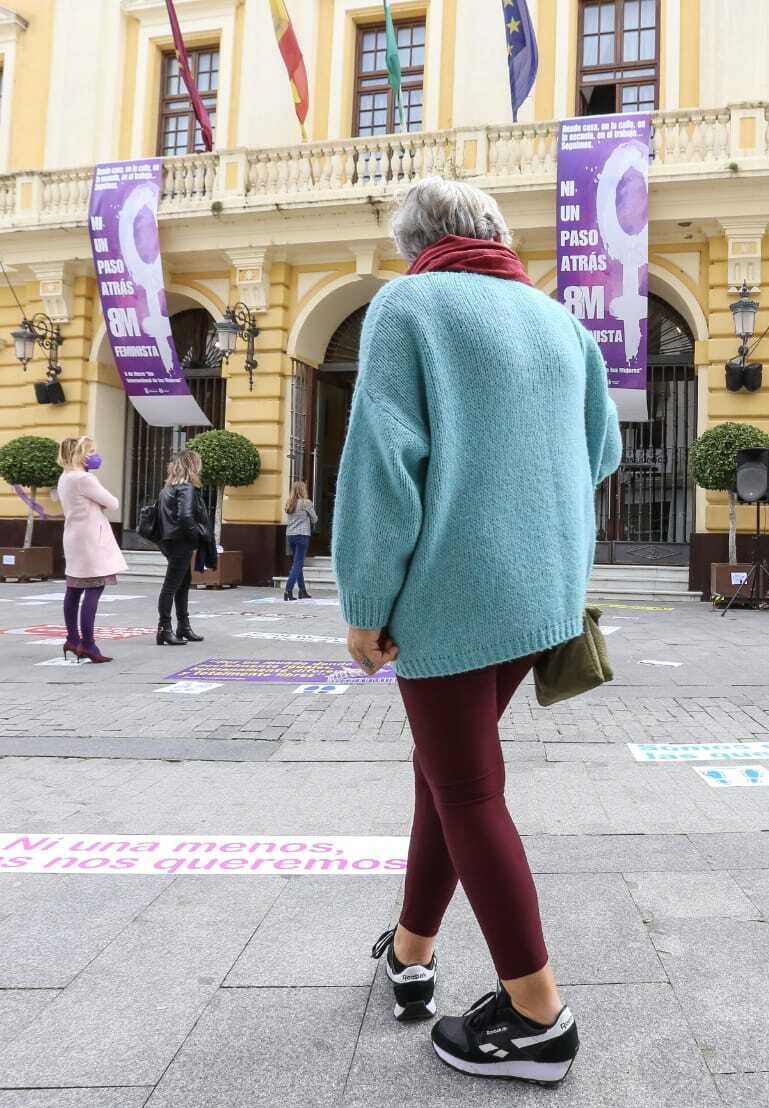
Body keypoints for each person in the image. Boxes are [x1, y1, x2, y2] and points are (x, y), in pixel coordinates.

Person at [333, 176, 619, 1086]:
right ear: (494, 233)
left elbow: (383, 465)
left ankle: (538, 1016)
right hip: (542, 593)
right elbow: (603, 451)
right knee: (445, 776)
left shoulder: (408, 305)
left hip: (451, 593)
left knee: (468, 790)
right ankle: (411, 955)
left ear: (416, 242)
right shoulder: (558, 319)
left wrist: (364, 603)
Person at [56, 436, 127, 663]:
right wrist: (100, 503)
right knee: (94, 588)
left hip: (73, 536)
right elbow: (113, 502)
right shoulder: (84, 478)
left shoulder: (65, 477)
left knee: (74, 589)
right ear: (82, 454)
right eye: (92, 451)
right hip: (90, 539)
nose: (96, 455)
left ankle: (72, 639)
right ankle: (88, 644)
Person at [155, 448, 215, 646]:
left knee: (182, 584)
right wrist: (195, 535)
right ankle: (165, 628)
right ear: (192, 465)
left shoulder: (168, 488)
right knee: (171, 586)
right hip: (181, 543)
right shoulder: (186, 488)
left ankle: (183, 626)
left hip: (170, 542)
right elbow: (185, 516)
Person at [284, 480, 317, 601]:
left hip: (290, 536)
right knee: (297, 564)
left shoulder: (288, 503)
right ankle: (288, 590)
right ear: (303, 490)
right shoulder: (306, 503)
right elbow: (314, 519)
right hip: (302, 535)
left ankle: (302, 591)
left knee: (297, 563)